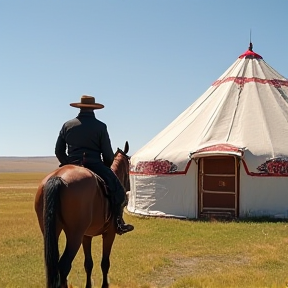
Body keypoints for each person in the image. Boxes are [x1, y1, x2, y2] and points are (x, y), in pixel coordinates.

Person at [55, 95, 134, 235]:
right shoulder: (100, 126)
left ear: (79, 108)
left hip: (71, 164)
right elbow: (108, 155)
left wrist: (68, 164)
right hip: (94, 165)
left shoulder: (67, 125)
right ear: (93, 109)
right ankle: (118, 224)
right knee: (120, 192)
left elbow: (58, 151)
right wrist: (105, 165)